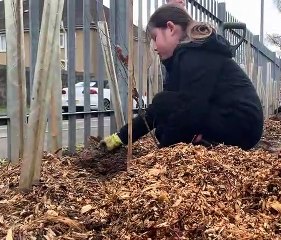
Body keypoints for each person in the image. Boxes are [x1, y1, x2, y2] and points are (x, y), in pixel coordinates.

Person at [99, 5, 264, 151]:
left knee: (167, 110)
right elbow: (159, 110)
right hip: (227, 119)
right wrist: (121, 137)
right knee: (163, 127)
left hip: (241, 125)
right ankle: (204, 142)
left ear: (170, 28)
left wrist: (163, 154)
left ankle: (204, 143)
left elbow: (190, 109)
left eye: (155, 38)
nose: (155, 47)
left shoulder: (197, 55)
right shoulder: (187, 56)